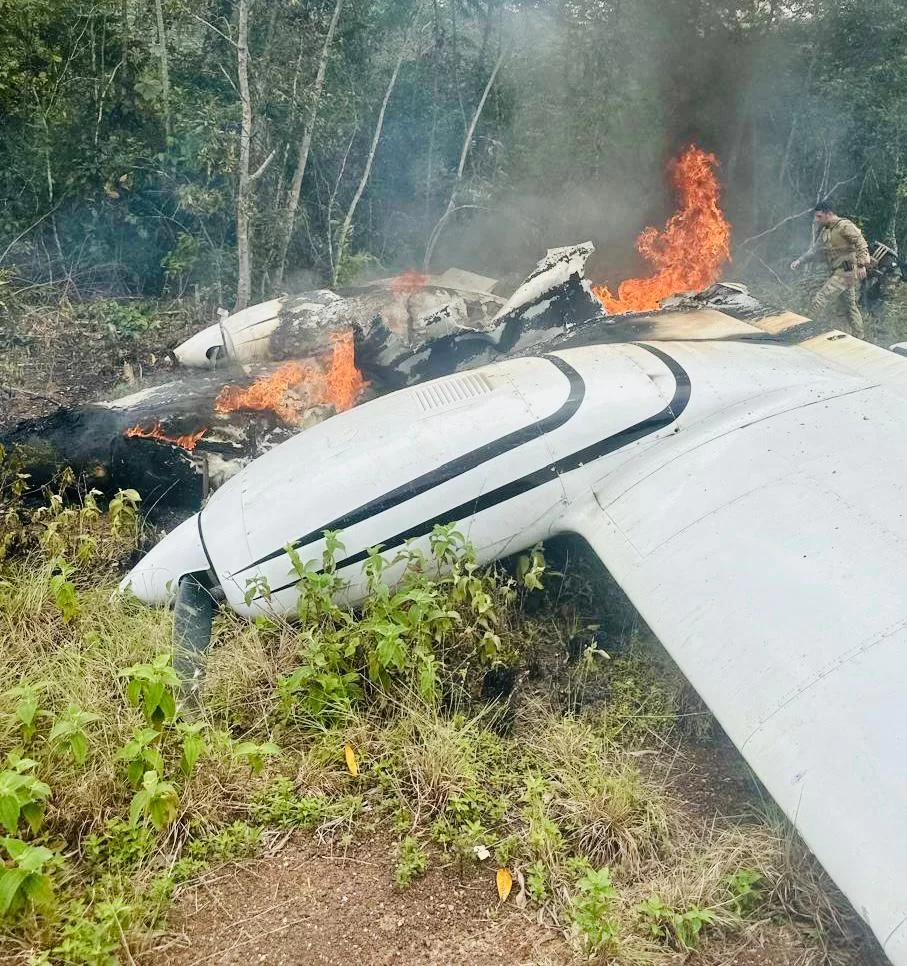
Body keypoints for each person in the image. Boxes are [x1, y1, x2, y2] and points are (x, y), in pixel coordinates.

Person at [790, 201, 870, 338]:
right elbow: (815, 250)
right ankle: (860, 337)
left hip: (846, 271)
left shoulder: (845, 226)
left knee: (820, 298)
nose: (817, 220)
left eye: (819, 217)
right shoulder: (827, 230)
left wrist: (862, 265)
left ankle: (805, 331)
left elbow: (861, 243)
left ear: (829, 214)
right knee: (849, 307)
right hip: (839, 272)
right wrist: (800, 260)